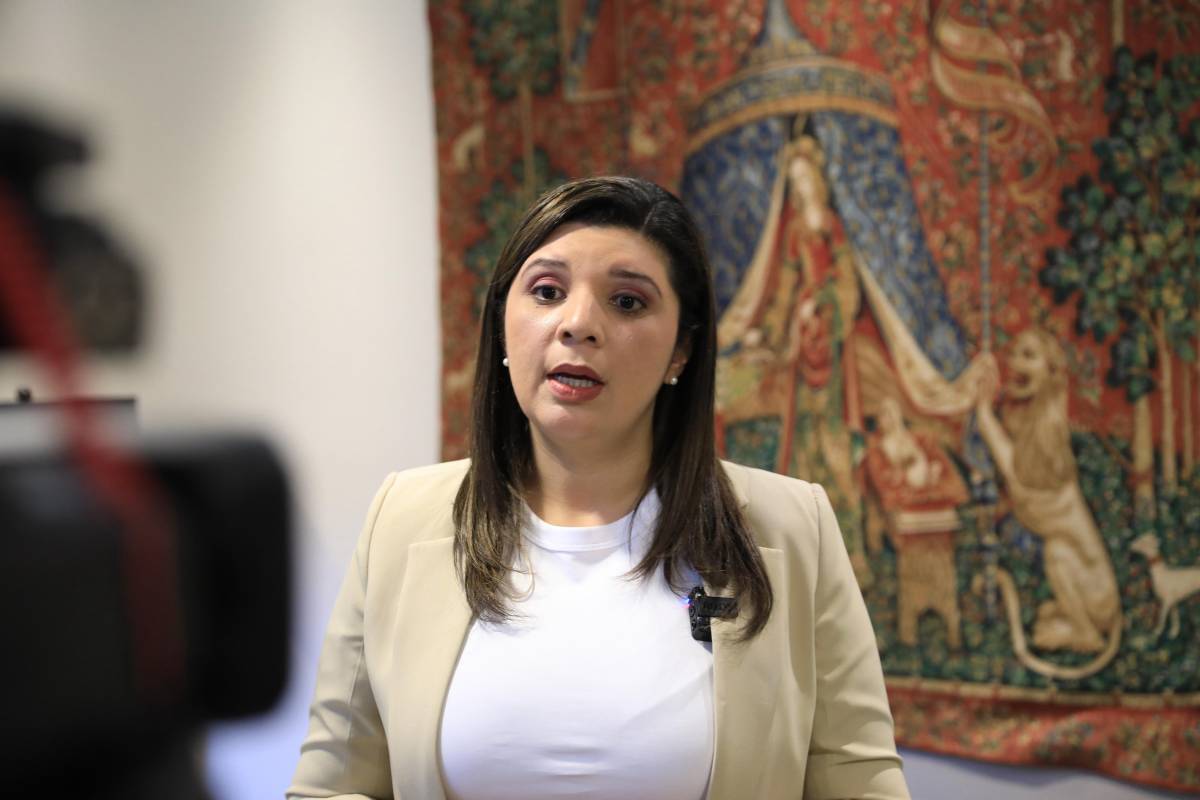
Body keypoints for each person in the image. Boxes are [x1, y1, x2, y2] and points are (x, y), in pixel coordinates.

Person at [288, 176, 909, 800]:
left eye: (628, 302)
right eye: (547, 291)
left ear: (681, 351)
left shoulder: (792, 527)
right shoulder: (401, 518)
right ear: (502, 323)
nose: (578, 324)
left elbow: (861, 785)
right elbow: (332, 785)